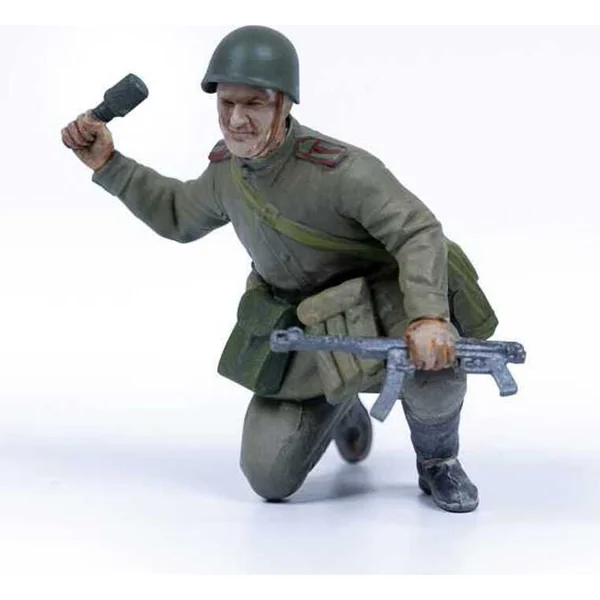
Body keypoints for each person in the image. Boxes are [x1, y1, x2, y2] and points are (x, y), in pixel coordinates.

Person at [61, 25, 498, 512]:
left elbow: (416, 230)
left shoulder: (342, 170)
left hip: (381, 308)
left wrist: (429, 317)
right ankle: (341, 402)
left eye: (254, 103)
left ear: (284, 104)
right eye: (227, 103)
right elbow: (179, 214)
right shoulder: (226, 172)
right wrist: (108, 163)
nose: (237, 119)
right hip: (303, 328)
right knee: (269, 477)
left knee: (435, 365)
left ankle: (438, 461)